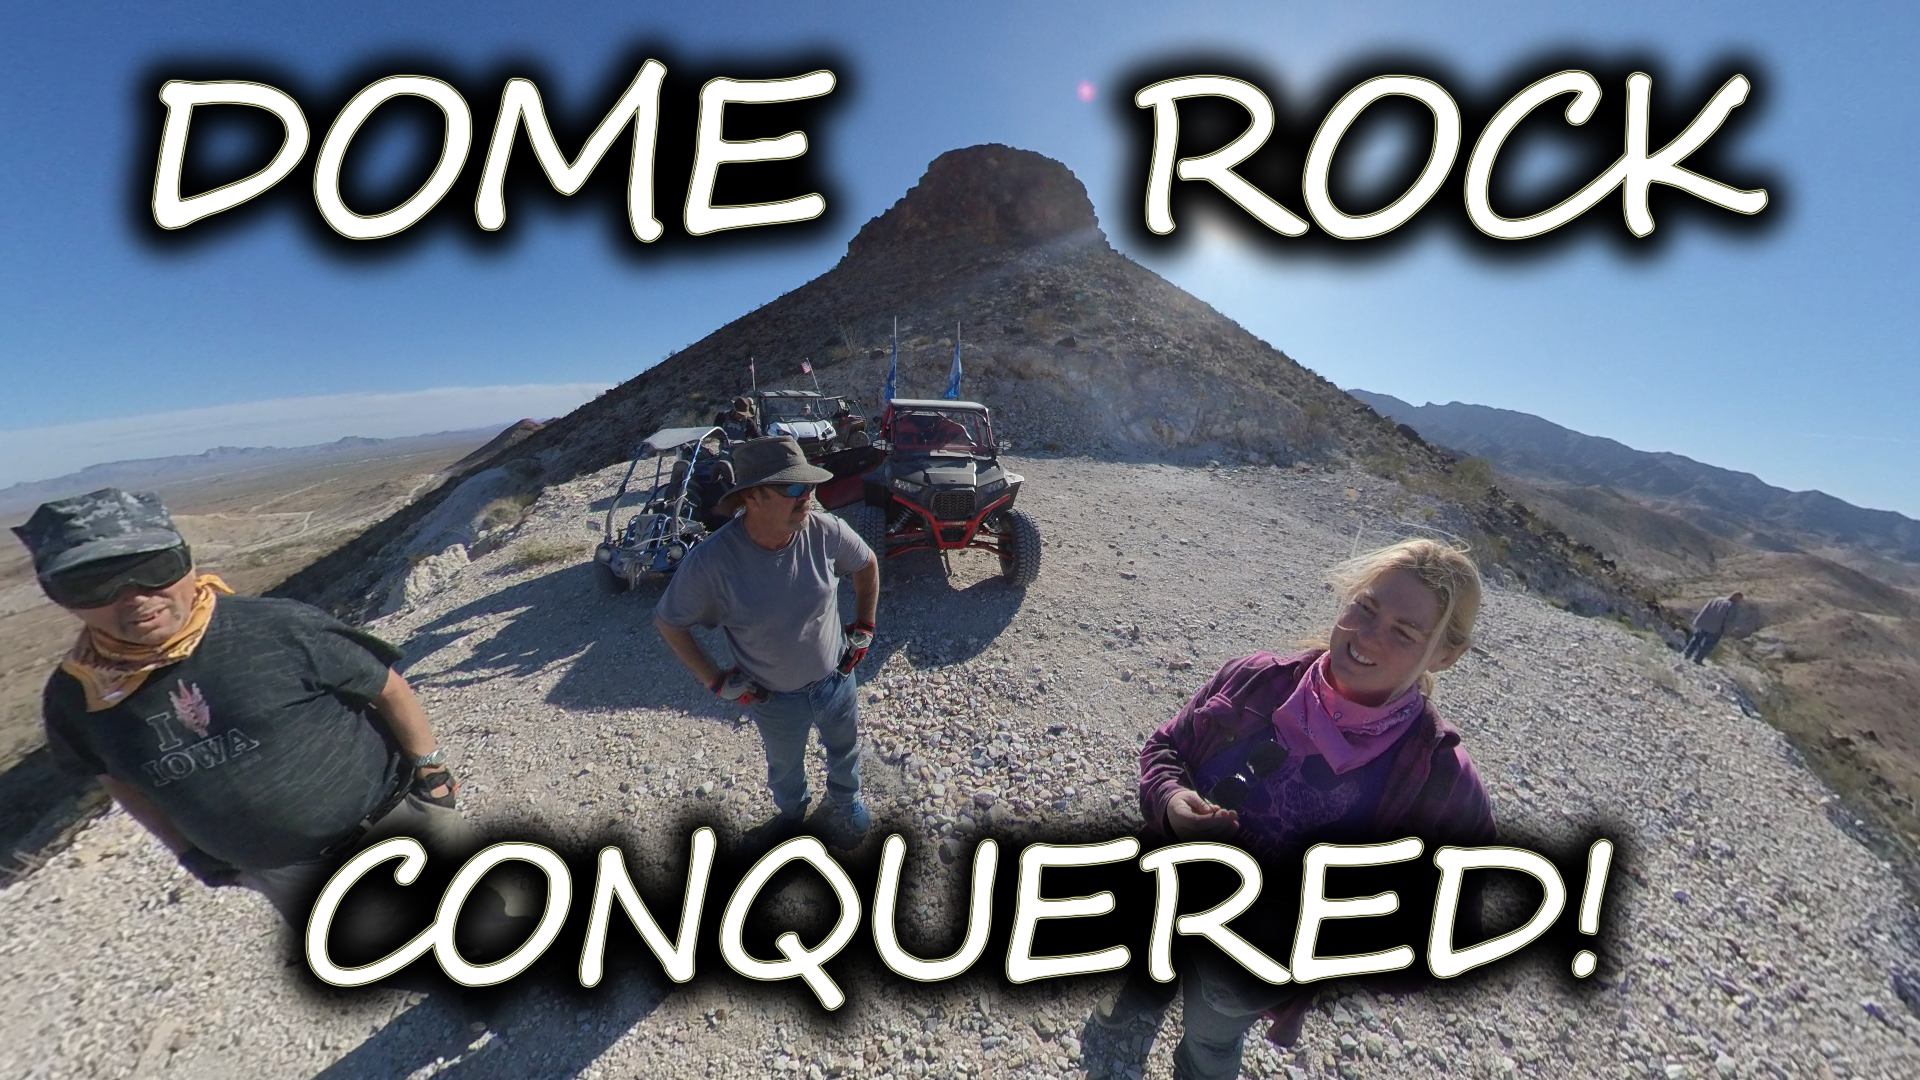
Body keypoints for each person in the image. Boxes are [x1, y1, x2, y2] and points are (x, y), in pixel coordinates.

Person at [13, 489, 517, 940]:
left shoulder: (277, 628)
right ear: (60, 597)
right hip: (288, 872)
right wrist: (185, 851)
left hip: (398, 820)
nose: (135, 596)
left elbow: (387, 686)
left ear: (186, 562)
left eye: (152, 568)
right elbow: (116, 779)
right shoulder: (77, 698)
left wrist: (431, 769)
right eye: (91, 584)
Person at [1095, 539, 1495, 1080]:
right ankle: (1129, 1014)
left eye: (1404, 633)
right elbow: (1167, 748)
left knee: (1212, 1042)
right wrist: (1170, 801)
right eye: (1366, 607)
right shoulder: (1258, 678)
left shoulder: (1439, 778)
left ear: (1445, 655)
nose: (1366, 636)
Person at [654, 436, 880, 852]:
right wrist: (715, 681)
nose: (807, 497)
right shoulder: (710, 562)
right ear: (752, 496)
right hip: (773, 699)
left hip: (836, 679)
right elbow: (670, 622)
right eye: (794, 488)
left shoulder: (824, 530)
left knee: (844, 749)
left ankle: (845, 800)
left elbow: (867, 563)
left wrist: (864, 626)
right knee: (785, 768)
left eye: (810, 486)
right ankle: (793, 815)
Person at [1684, 592, 1742, 663]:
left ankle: (1686, 654)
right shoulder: (1732, 606)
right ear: (1737, 597)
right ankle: (1697, 659)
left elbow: (1705, 609)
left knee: (1696, 639)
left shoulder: (1717, 599)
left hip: (1704, 624)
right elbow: (1729, 621)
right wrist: (1726, 632)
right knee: (1707, 645)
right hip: (1716, 629)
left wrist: (1698, 620)